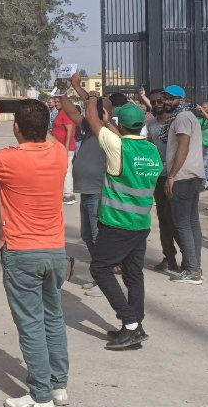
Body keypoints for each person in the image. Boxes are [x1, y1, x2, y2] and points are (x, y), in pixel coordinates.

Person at [0, 101, 69, 407]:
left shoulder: (8, 159)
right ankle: (58, 385)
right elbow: (46, 137)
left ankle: (40, 396)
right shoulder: (59, 153)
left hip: (22, 252)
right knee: (53, 317)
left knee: (31, 323)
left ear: (16, 128)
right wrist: (39, 119)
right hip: (55, 250)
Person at [60, 75, 163, 350]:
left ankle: (129, 322)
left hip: (118, 222)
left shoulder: (118, 147)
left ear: (119, 123)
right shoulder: (151, 150)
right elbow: (109, 130)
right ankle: (134, 324)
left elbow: (92, 123)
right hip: (140, 222)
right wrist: (107, 120)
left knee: (100, 267)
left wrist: (91, 99)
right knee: (133, 274)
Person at [161, 84, 205, 285]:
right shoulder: (186, 116)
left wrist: (171, 176)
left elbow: (183, 148)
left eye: (171, 98)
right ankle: (194, 265)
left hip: (183, 176)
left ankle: (192, 270)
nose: (166, 102)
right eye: (165, 98)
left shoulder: (182, 118)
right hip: (192, 175)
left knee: (182, 224)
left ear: (181, 99)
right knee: (191, 222)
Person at [70, 97, 110, 293]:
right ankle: (101, 273)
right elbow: (72, 113)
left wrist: (91, 99)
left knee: (97, 237)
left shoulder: (105, 132)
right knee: (87, 235)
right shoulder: (89, 129)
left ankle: (103, 277)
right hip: (86, 192)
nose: (88, 113)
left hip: (97, 191)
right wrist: (61, 93)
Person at [139, 87, 180, 274]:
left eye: (158, 102)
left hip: (175, 176)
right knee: (163, 219)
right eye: (152, 102)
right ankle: (169, 257)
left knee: (176, 220)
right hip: (158, 177)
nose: (156, 105)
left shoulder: (175, 122)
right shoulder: (152, 125)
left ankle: (189, 259)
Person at [50, 81, 79, 205]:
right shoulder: (60, 113)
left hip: (66, 147)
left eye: (58, 102)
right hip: (60, 146)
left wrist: (65, 148)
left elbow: (70, 130)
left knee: (66, 170)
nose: (56, 104)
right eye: (55, 102)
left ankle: (68, 195)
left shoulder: (66, 113)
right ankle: (65, 193)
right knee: (63, 169)